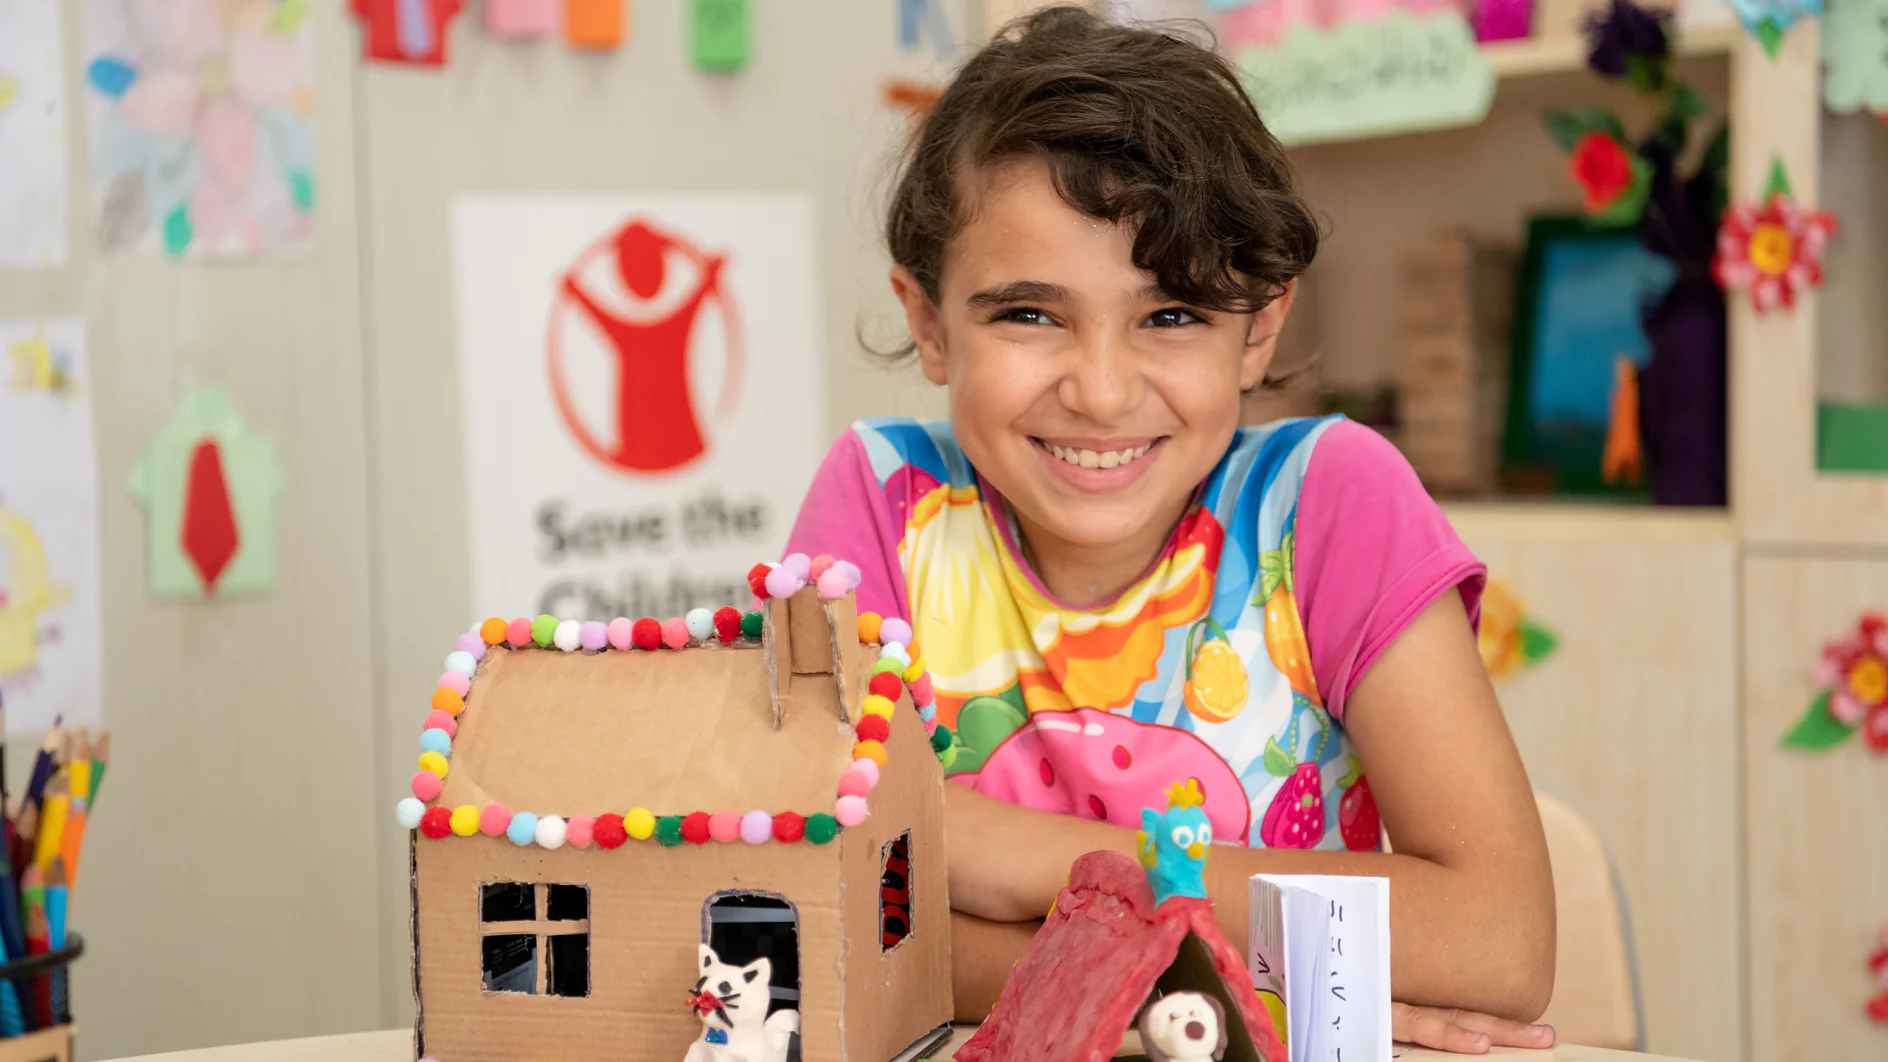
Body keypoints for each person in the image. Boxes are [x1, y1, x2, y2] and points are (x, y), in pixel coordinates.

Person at [783, 7, 1555, 1053]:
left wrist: (1031, 860)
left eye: (1173, 315)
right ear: (928, 322)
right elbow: (814, 920)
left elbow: (1497, 943)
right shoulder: (881, 503)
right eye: (1027, 314)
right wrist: (1214, 987)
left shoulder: (1328, 501)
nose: (1101, 393)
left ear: (1261, 329)